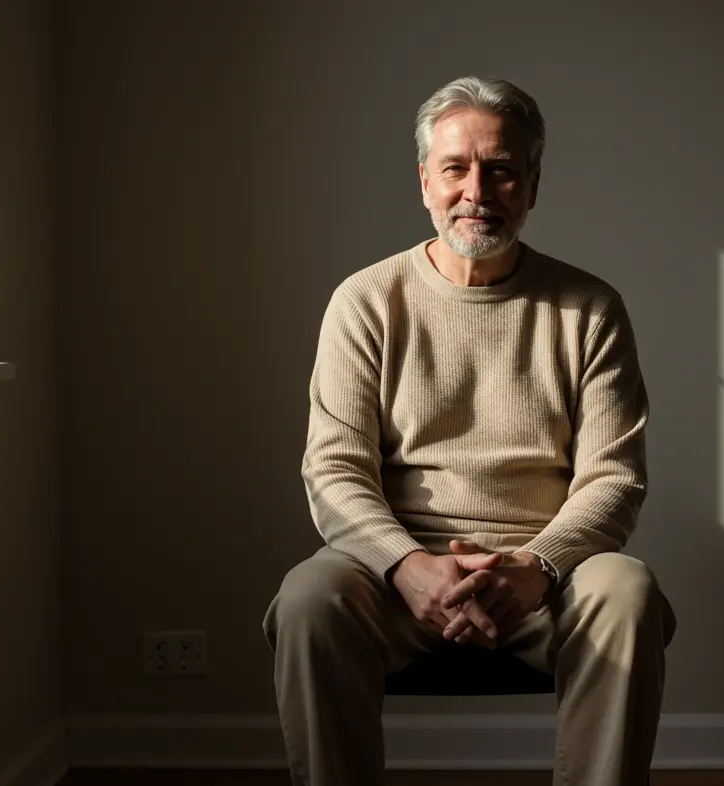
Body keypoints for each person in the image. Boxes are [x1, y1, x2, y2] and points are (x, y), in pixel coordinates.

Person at [262, 75, 676, 786]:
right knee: (308, 598)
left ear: (532, 184)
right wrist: (407, 566)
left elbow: (614, 477)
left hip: (547, 579)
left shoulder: (590, 308)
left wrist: (538, 567)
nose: (476, 191)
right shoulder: (366, 301)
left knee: (628, 591)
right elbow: (333, 471)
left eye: (501, 170)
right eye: (455, 168)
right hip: (393, 580)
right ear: (426, 181)